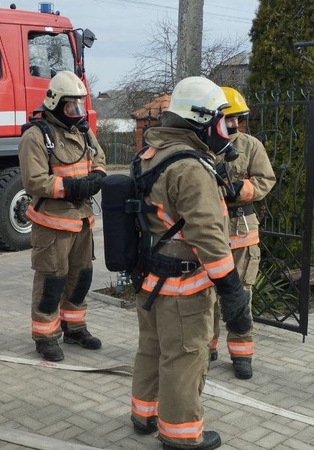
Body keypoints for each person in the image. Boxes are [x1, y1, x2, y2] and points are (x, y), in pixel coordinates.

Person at [128, 76, 251, 450]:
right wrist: (232, 291)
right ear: (201, 120)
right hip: (183, 286)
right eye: (221, 120)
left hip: (151, 278)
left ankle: (144, 414)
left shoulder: (151, 153)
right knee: (184, 357)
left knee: (151, 348)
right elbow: (209, 237)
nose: (226, 129)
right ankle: (181, 436)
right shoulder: (192, 168)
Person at [18, 70, 107, 362]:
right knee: (51, 281)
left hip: (82, 220)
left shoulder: (82, 130)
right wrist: (72, 186)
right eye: (72, 106)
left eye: (80, 105)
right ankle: (45, 336)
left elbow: (100, 157)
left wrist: (97, 176)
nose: (77, 112)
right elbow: (34, 181)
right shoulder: (36, 136)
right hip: (52, 224)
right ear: (55, 103)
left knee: (81, 277)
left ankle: (75, 327)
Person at [208, 87, 276, 380]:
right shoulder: (203, 146)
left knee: (239, 298)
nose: (234, 124)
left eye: (238, 118)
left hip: (242, 233)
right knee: (205, 295)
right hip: (209, 233)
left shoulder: (250, 146)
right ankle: (205, 348)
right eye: (227, 118)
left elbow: (265, 180)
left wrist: (242, 189)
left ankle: (241, 354)